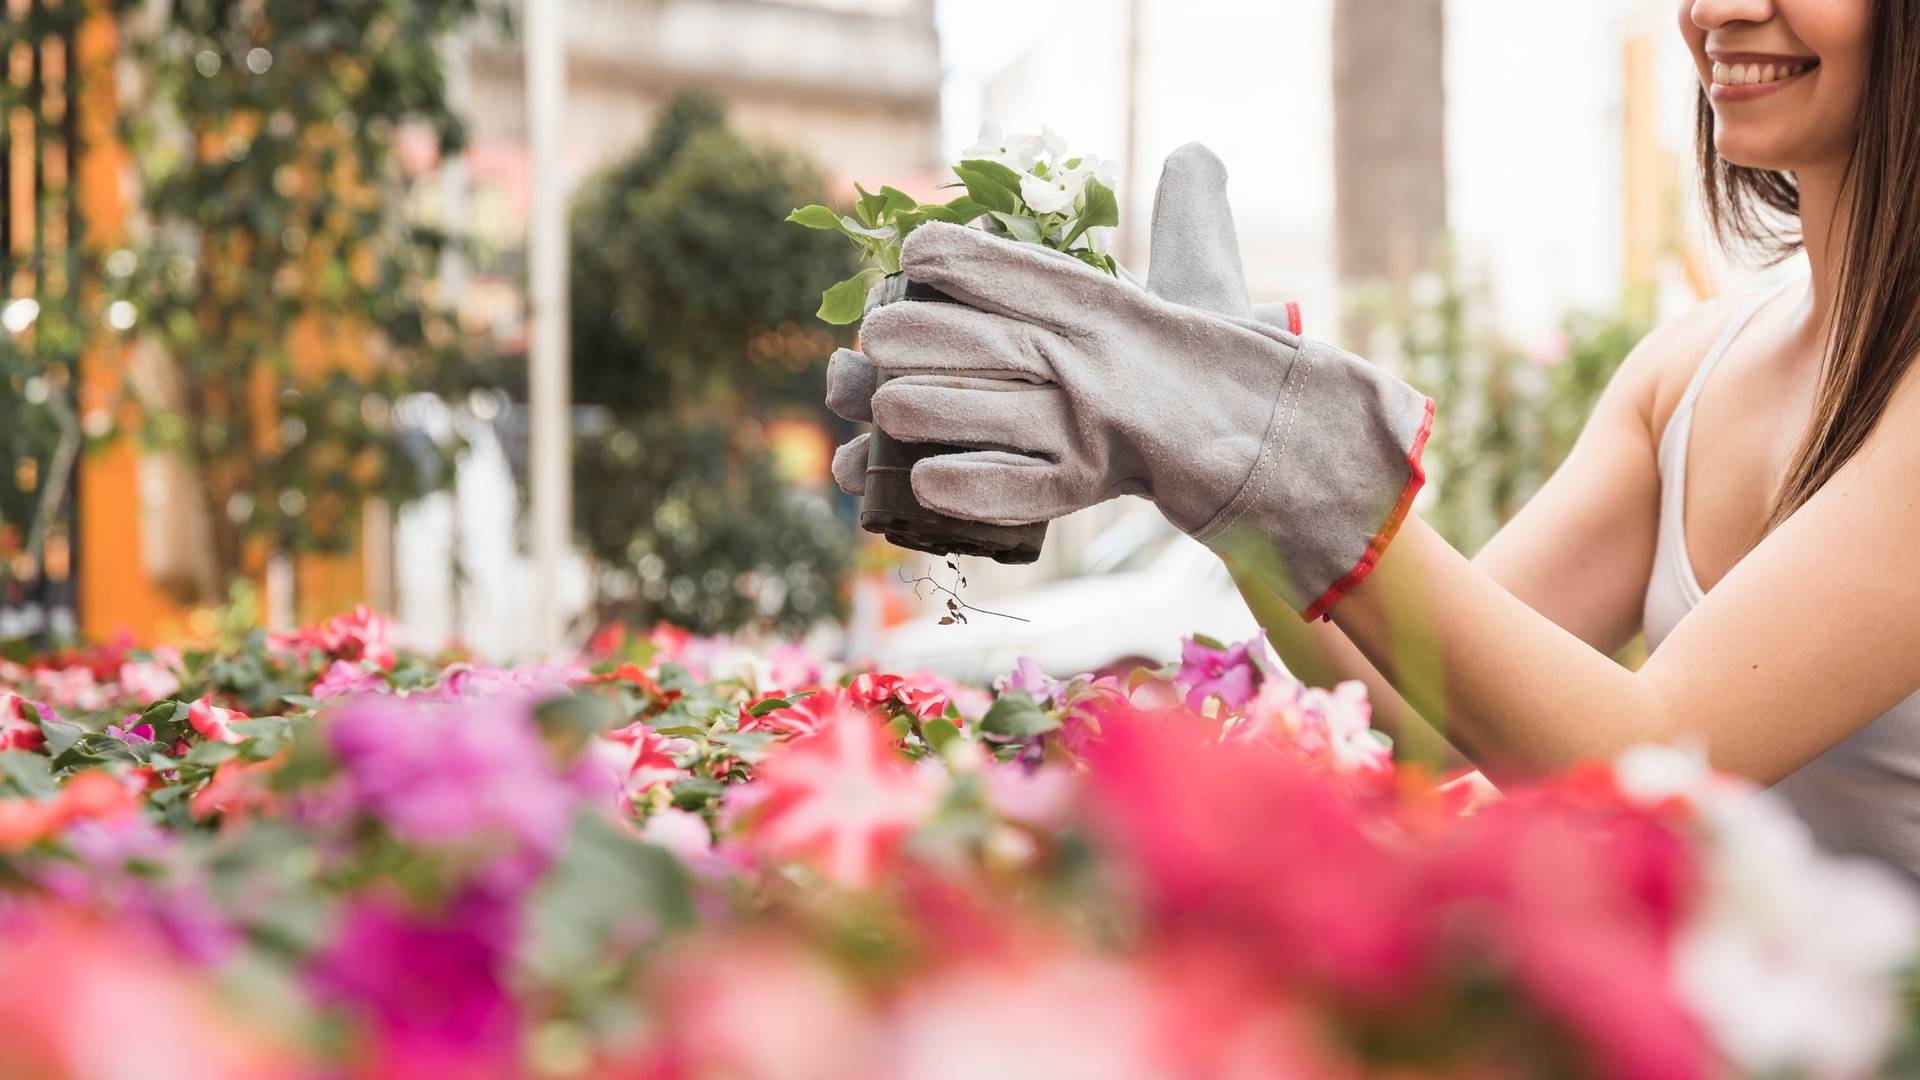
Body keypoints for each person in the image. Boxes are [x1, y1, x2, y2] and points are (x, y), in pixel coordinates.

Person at [824, 0, 1920, 882]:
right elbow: (1422, 710)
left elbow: (1648, 757)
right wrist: (1207, 473)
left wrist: (1275, 449)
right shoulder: (1687, 371)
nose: (1720, 11)